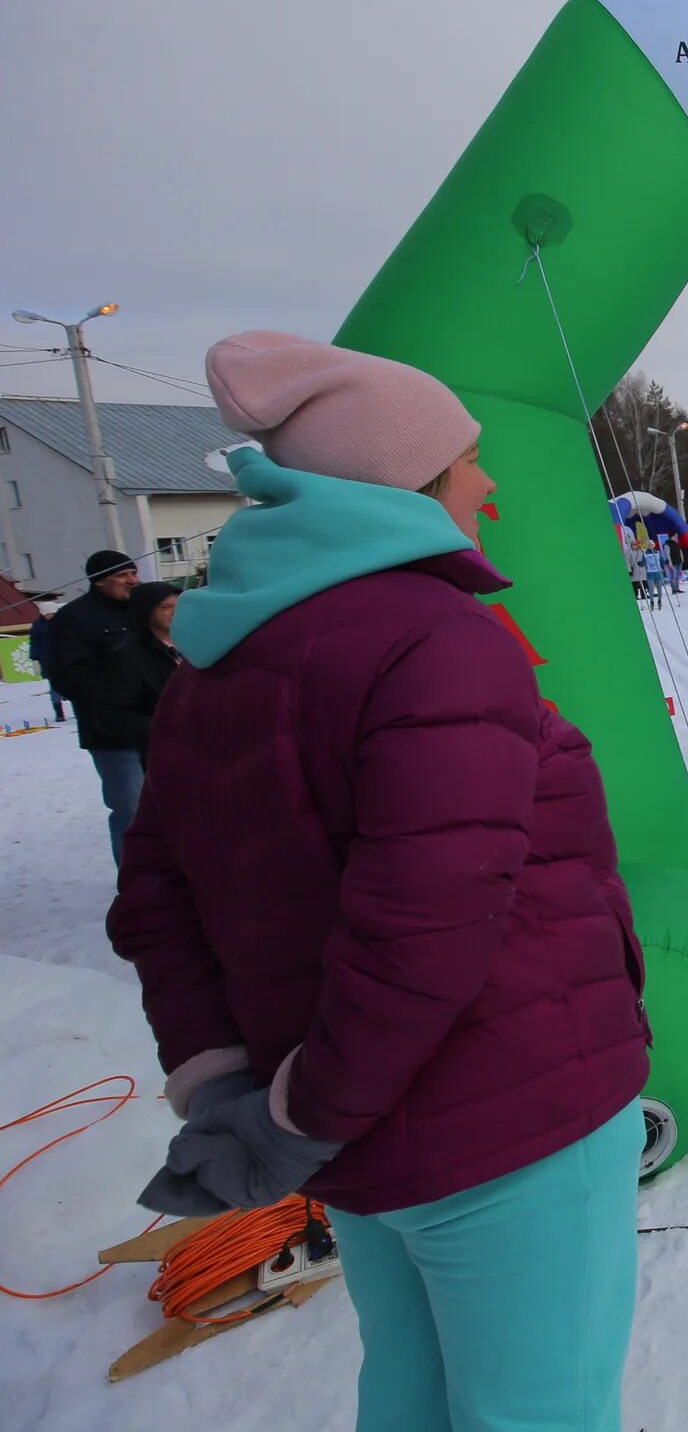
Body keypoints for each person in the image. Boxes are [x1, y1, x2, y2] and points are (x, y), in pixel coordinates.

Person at [109, 330, 646, 1431]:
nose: (487, 482)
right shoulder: (436, 638)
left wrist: (235, 1092)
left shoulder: (216, 662)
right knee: (540, 1412)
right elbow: (426, 925)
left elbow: (157, 899)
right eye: (467, 461)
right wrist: (298, 1116)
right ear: (404, 483)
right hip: (505, 1128)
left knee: (409, 1396)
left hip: (364, 1146)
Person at [45, 549, 146, 864]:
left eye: (133, 573)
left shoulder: (142, 611)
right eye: (122, 576)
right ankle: (135, 881)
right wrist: (115, 701)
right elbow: (65, 675)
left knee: (169, 803)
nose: (132, 581)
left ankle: (171, 875)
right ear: (100, 581)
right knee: (130, 806)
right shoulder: (74, 618)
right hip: (112, 734)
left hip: (157, 725)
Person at [120, 581, 184, 755]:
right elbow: (116, 714)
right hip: (163, 749)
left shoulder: (197, 645)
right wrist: (164, 730)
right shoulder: (127, 656)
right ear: (146, 610)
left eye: (180, 606)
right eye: (165, 607)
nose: (175, 612)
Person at [26, 594, 67, 723]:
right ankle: (59, 713)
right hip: (48, 660)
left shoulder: (64, 622)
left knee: (74, 685)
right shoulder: (38, 626)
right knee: (55, 687)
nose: (50, 616)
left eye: (52, 613)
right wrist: (35, 657)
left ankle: (79, 711)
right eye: (47, 614)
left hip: (66, 659)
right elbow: (34, 642)